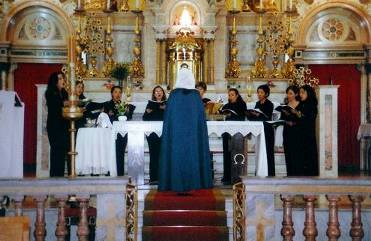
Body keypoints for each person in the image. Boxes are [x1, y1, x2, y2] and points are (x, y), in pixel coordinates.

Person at [158, 64, 213, 193]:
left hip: (176, 137)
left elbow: (168, 117)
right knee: (193, 153)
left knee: (176, 154)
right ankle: (195, 182)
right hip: (192, 137)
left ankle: (173, 182)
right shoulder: (195, 96)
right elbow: (201, 118)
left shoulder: (174, 95)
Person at [103, 86, 136, 176]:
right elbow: (106, 118)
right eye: (115, 92)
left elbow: (128, 117)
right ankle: (110, 173)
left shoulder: (125, 105)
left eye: (119, 92)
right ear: (112, 94)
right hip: (110, 133)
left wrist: (127, 112)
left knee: (120, 153)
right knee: (111, 153)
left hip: (122, 133)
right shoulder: (107, 105)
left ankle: (120, 174)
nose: (118, 94)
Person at [45, 72, 69, 177]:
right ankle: (54, 177)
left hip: (64, 126)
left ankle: (60, 177)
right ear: (54, 81)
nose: (62, 80)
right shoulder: (50, 92)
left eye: (63, 78)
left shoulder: (64, 92)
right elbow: (55, 106)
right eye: (59, 79)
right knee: (56, 152)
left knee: (62, 152)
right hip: (54, 126)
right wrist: (64, 103)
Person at [221, 88, 247, 184]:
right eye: (229, 95)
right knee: (227, 153)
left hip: (237, 132)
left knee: (236, 153)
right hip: (227, 132)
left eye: (232, 95)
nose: (230, 96)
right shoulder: (226, 105)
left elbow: (242, 117)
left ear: (236, 95)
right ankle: (227, 176)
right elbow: (222, 115)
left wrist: (231, 115)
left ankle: (236, 176)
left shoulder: (242, 104)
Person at [143, 86, 167, 183]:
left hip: (164, 133)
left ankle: (164, 177)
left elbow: (168, 116)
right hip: (152, 133)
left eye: (160, 91)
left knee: (163, 155)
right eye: (156, 91)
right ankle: (154, 178)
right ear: (153, 94)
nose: (158, 93)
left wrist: (155, 110)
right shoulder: (150, 103)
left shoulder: (167, 103)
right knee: (153, 154)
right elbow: (145, 117)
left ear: (163, 93)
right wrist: (159, 109)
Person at [279, 85, 303, 176]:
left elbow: (302, 120)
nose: (288, 95)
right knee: (288, 152)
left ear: (296, 94)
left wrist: (294, 122)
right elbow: (282, 118)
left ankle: (297, 174)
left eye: (290, 93)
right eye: (287, 93)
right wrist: (285, 116)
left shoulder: (300, 105)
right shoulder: (286, 105)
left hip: (297, 132)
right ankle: (289, 173)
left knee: (296, 153)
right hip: (287, 131)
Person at [254, 84, 275, 176]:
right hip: (259, 130)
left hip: (267, 130)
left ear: (266, 94)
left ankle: (270, 173)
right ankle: (260, 171)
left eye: (261, 92)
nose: (259, 94)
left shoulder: (269, 104)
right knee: (260, 151)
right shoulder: (257, 104)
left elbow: (267, 116)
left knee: (268, 151)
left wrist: (259, 115)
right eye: (258, 92)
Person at [299, 85, 319, 176]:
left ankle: (310, 173)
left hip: (308, 133)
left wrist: (299, 115)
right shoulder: (301, 104)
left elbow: (310, 118)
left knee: (309, 153)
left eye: (303, 92)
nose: (300, 94)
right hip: (301, 133)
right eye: (300, 92)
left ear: (309, 93)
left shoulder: (312, 104)